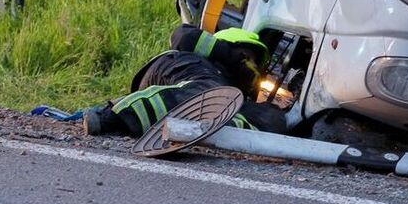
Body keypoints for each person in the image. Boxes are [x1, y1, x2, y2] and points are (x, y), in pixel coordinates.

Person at [82, 25, 289, 137]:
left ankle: (133, 117)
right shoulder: (214, 59)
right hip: (179, 67)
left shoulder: (231, 94)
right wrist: (230, 57)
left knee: (235, 108)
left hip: (178, 87)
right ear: (232, 46)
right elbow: (182, 35)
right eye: (248, 57)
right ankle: (111, 117)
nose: (252, 67)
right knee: (212, 94)